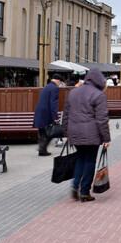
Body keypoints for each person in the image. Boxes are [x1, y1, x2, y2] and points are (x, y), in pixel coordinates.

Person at [62, 68, 111, 202]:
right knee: (90, 160)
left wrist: (66, 132)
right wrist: (106, 138)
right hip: (92, 134)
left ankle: (74, 186)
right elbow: (102, 119)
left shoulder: (73, 92)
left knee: (80, 159)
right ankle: (84, 191)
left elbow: (65, 115)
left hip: (75, 132)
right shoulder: (98, 95)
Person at [33, 73, 63, 156]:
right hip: (46, 114)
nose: (60, 85)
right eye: (60, 83)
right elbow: (53, 103)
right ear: (58, 81)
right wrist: (55, 117)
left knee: (42, 132)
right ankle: (42, 149)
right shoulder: (55, 88)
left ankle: (42, 149)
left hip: (40, 113)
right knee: (50, 132)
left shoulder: (47, 86)